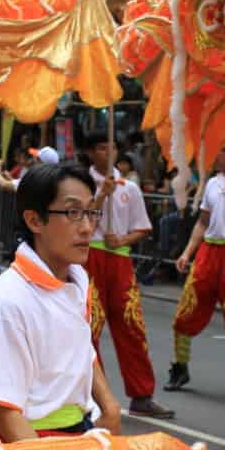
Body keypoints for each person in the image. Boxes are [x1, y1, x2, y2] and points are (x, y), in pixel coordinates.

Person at [0, 163, 124, 450]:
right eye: (72, 213)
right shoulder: (6, 303)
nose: (87, 227)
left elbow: (81, 348)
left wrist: (110, 407)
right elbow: (4, 411)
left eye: (90, 211)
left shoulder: (77, 280)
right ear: (34, 221)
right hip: (27, 444)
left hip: (79, 433)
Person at [81, 132, 173, 419]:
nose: (107, 152)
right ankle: (96, 395)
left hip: (119, 261)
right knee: (89, 326)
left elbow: (142, 228)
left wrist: (121, 241)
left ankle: (142, 394)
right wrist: (100, 195)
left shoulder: (129, 188)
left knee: (131, 325)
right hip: (89, 258)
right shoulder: (81, 183)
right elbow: (80, 219)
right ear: (90, 153)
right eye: (100, 147)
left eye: (111, 147)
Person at [166, 141, 225, 398]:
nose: (209, 158)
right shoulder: (213, 184)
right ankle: (180, 367)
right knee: (186, 311)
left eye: (214, 151)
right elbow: (202, 223)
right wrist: (187, 253)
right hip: (209, 254)